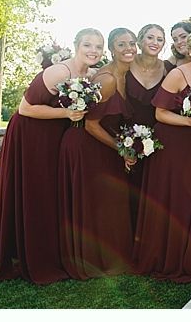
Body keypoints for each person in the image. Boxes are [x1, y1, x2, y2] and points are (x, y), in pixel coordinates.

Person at [0, 28, 104, 284]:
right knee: (36, 191)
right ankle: (29, 254)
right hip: (31, 133)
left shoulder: (90, 75)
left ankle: (54, 252)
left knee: (52, 192)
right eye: (88, 45)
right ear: (76, 46)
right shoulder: (59, 71)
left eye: (98, 46)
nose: (93, 51)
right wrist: (66, 115)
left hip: (56, 136)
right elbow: (25, 109)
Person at [133, 29, 191, 282]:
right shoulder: (177, 74)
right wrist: (187, 122)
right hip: (173, 144)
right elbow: (159, 113)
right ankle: (169, 256)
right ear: (189, 48)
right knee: (176, 199)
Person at [57, 28, 137, 278]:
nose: (129, 48)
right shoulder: (108, 79)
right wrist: (123, 149)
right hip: (87, 144)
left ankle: (109, 258)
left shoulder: (127, 76)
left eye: (132, 43)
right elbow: (90, 124)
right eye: (121, 44)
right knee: (95, 204)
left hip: (104, 143)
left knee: (108, 203)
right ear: (112, 49)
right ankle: (92, 261)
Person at [125, 24, 171, 229]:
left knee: (152, 191)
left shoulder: (169, 70)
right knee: (126, 189)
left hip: (158, 139)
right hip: (125, 135)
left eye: (159, 39)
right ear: (140, 40)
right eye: (150, 38)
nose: (154, 43)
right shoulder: (125, 64)